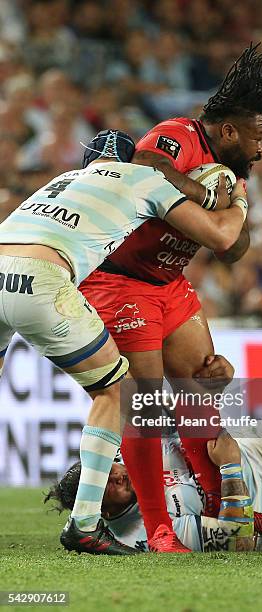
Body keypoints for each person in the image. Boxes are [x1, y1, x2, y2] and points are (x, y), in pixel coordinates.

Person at [0, 129, 247, 554]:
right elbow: (221, 236)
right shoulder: (140, 178)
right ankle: (84, 525)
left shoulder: (60, 182)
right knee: (119, 393)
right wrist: (239, 195)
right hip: (41, 279)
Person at [78, 42, 262, 545]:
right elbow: (145, 171)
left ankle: (223, 506)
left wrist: (232, 202)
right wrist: (205, 194)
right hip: (121, 280)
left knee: (200, 389)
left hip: (170, 284)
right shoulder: (178, 135)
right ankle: (159, 527)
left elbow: (233, 250)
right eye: (256, 138)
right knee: (143, 404)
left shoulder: (234, 175)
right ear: (228, 130)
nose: (260, 150)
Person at [47, 392, 262, 552]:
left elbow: (164, 411)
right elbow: (238, 537)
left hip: (258, 449)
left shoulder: (121, 449)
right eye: (110, 487)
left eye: (110, 470)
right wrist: (230, 468)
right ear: (101, 509)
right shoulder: (145, 534)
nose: (118, 476)